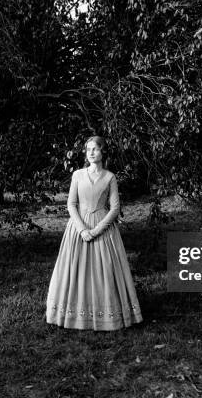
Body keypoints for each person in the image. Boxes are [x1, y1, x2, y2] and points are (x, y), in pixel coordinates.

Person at [45, 136, 143, 331]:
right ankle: (72, 314)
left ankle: (108, 314)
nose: (91, 152)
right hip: (78, 228)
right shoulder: (77, 175)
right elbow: (71, 204)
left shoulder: (109, 177)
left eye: (95, 149)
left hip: (102, 228)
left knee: (104, 269)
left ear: (102, 152)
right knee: (74, 270)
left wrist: (97, 230)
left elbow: (115, 208)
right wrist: (82, 230)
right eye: (88, 149)